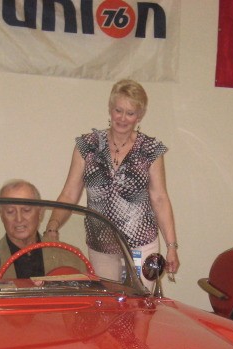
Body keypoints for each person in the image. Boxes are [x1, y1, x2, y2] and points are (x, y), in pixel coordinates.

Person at [45, 79, 180, 285]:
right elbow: (69, 194)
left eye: (130, 113)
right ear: (109, 109)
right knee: (108, 305)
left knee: (139, 305)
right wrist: (52, 226)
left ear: (140, 116)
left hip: (141, 243)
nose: (123, 118)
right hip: (101, 243)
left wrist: (171, 247)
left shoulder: (150, 149)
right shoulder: (88, 145)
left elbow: (160, 199)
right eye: (118, 110)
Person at [0, 179, 86, 280]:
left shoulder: (70, 257)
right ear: (1, 214)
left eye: (26, 210)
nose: (19, 219)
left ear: (40, 212)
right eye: (10, 211)